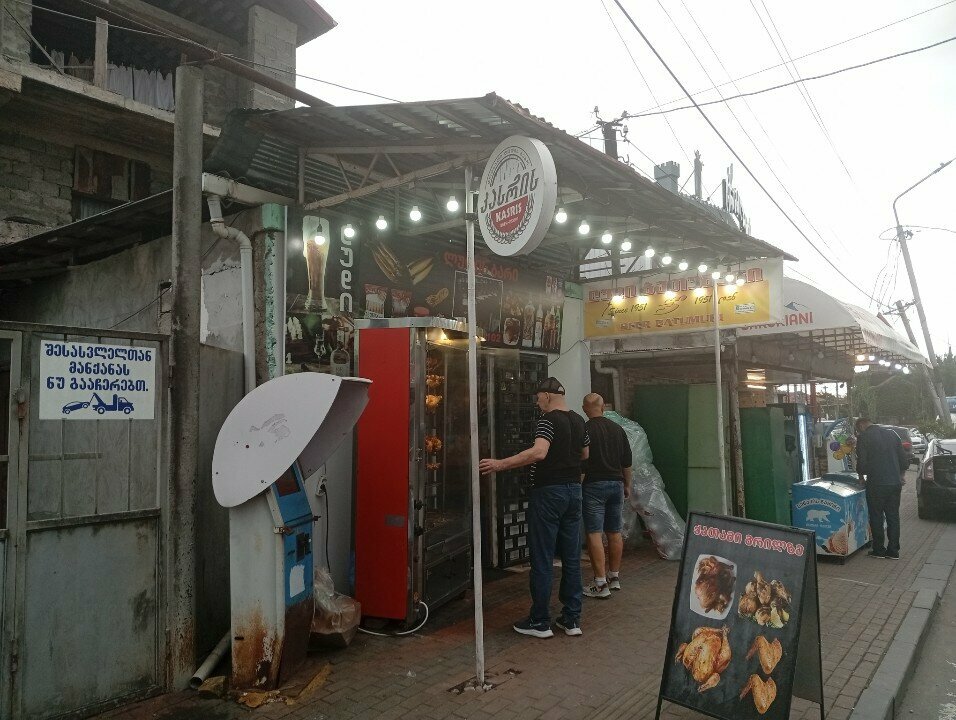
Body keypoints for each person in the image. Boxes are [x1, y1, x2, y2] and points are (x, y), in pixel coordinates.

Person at [479, 377, 589, 638]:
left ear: (548, 396)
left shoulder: (548, 421)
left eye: (538, 397)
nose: (537, 402)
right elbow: (585, 455)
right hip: (574, 491)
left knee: (542, 556)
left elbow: (539, 452)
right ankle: (571, 620)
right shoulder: (578, 420)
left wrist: (500, 464)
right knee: (572, 557)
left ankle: (540, 621)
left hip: (549, 492)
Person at [580, 393, 633, 598]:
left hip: (593, 485)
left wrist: (578, 485)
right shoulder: (618, 430)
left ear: (585, 408)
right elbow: (627, 461)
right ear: (603, 408)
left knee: (594, 532)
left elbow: (582, 461)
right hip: (616, 484)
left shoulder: (584, 429)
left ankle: (600, 584)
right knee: (614, 531)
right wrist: (626, 484)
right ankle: (614, 577)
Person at [855, 417, 908, 559]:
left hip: (876, 483)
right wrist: (901, 475)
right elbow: (904, 460)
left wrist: (861, 476)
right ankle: (893, 551)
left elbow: (862, 462)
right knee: (893, 517)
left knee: (876, 516)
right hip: (895, 483)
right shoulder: (893, 434)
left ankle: (878, 550)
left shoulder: (864, 437)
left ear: (861, 425)